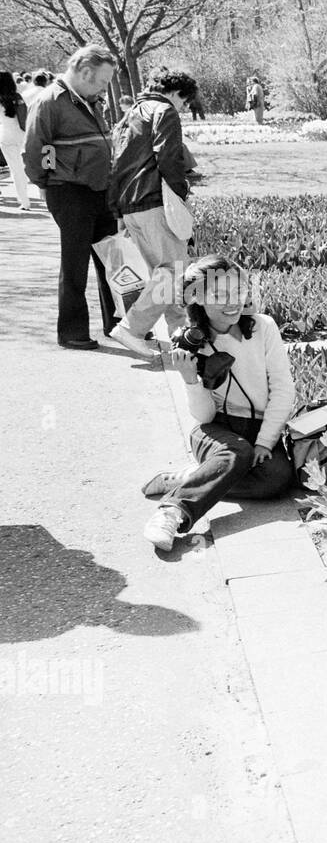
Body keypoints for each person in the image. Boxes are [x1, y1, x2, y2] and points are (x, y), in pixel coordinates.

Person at [141, 256, 297, 552]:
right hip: (216, 431)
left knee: (277, 478)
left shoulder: (264, 328)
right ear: (196, 297)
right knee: (237, 451)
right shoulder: (193, 343)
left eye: (238, 291)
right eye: (220, 295)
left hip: (259, 429)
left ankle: (191, 476)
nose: (233, 302)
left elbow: (283, 389)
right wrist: (190, 380)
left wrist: (265, 442)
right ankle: (173, 512)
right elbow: (204, 415)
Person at [23, 46, 119, 349]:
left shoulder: (91, 99)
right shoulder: (50, 101)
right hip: (70, 191)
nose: (106, 87)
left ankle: (117, 323)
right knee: (75, 263)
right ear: (86, 72)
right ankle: (72, 332)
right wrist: (47, 183)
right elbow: (35, 149)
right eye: (103, 80)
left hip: (99, 188)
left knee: (111, 260)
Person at [106, 68, 199, 357]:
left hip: (131, 205)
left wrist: (117, 209)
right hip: (153, 202)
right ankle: (132, 328)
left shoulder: (128, 116)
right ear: (175, 93)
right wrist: (181, 194)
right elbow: (169, 157)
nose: (183, 108)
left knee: (164, 274)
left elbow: (116, 166)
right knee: (174, 273)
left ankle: (180, 335)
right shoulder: (164, 111)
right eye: (185, 102)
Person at [0, 71, 32, 210]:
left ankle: (24, 201)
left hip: (6, 136)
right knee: (24, 167)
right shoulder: (17, 97)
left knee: (15, 170)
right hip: (22, 134)